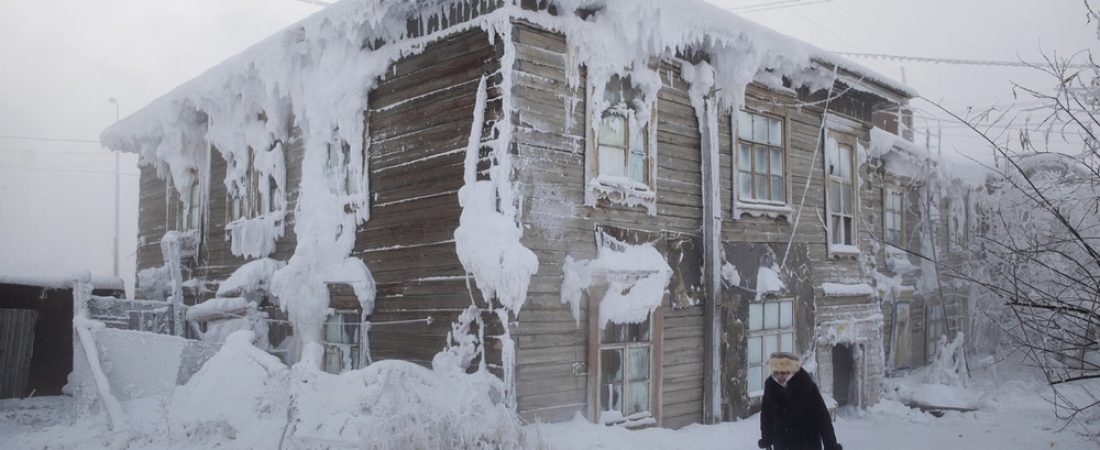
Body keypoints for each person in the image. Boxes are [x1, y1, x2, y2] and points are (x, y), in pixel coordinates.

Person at [757, 352, 842, 450]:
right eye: (776, 373)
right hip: (781, 444)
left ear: (792, 371)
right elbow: (766, 417)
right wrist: (767, 440)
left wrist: (830, 445)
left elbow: (822, 418)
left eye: (783, 373)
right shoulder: (770, 387)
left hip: (806, 443)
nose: (779, 376)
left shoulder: (806, 386)